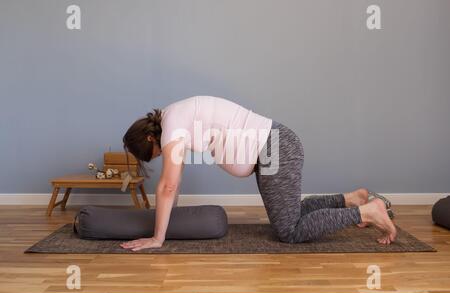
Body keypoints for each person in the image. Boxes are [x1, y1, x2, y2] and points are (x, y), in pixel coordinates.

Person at [120, 96, 396, 251]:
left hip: (274, 147)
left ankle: (367, 212)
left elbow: (168, 185)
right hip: (271, 147)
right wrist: (169, 221)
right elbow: (174, 183)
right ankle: (353, 199)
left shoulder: (172, 127)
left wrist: (158, 239)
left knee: (290, 231)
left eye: (155, 153)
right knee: (292, 215)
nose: (161, 155)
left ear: (148, 138)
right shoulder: (174, 118)